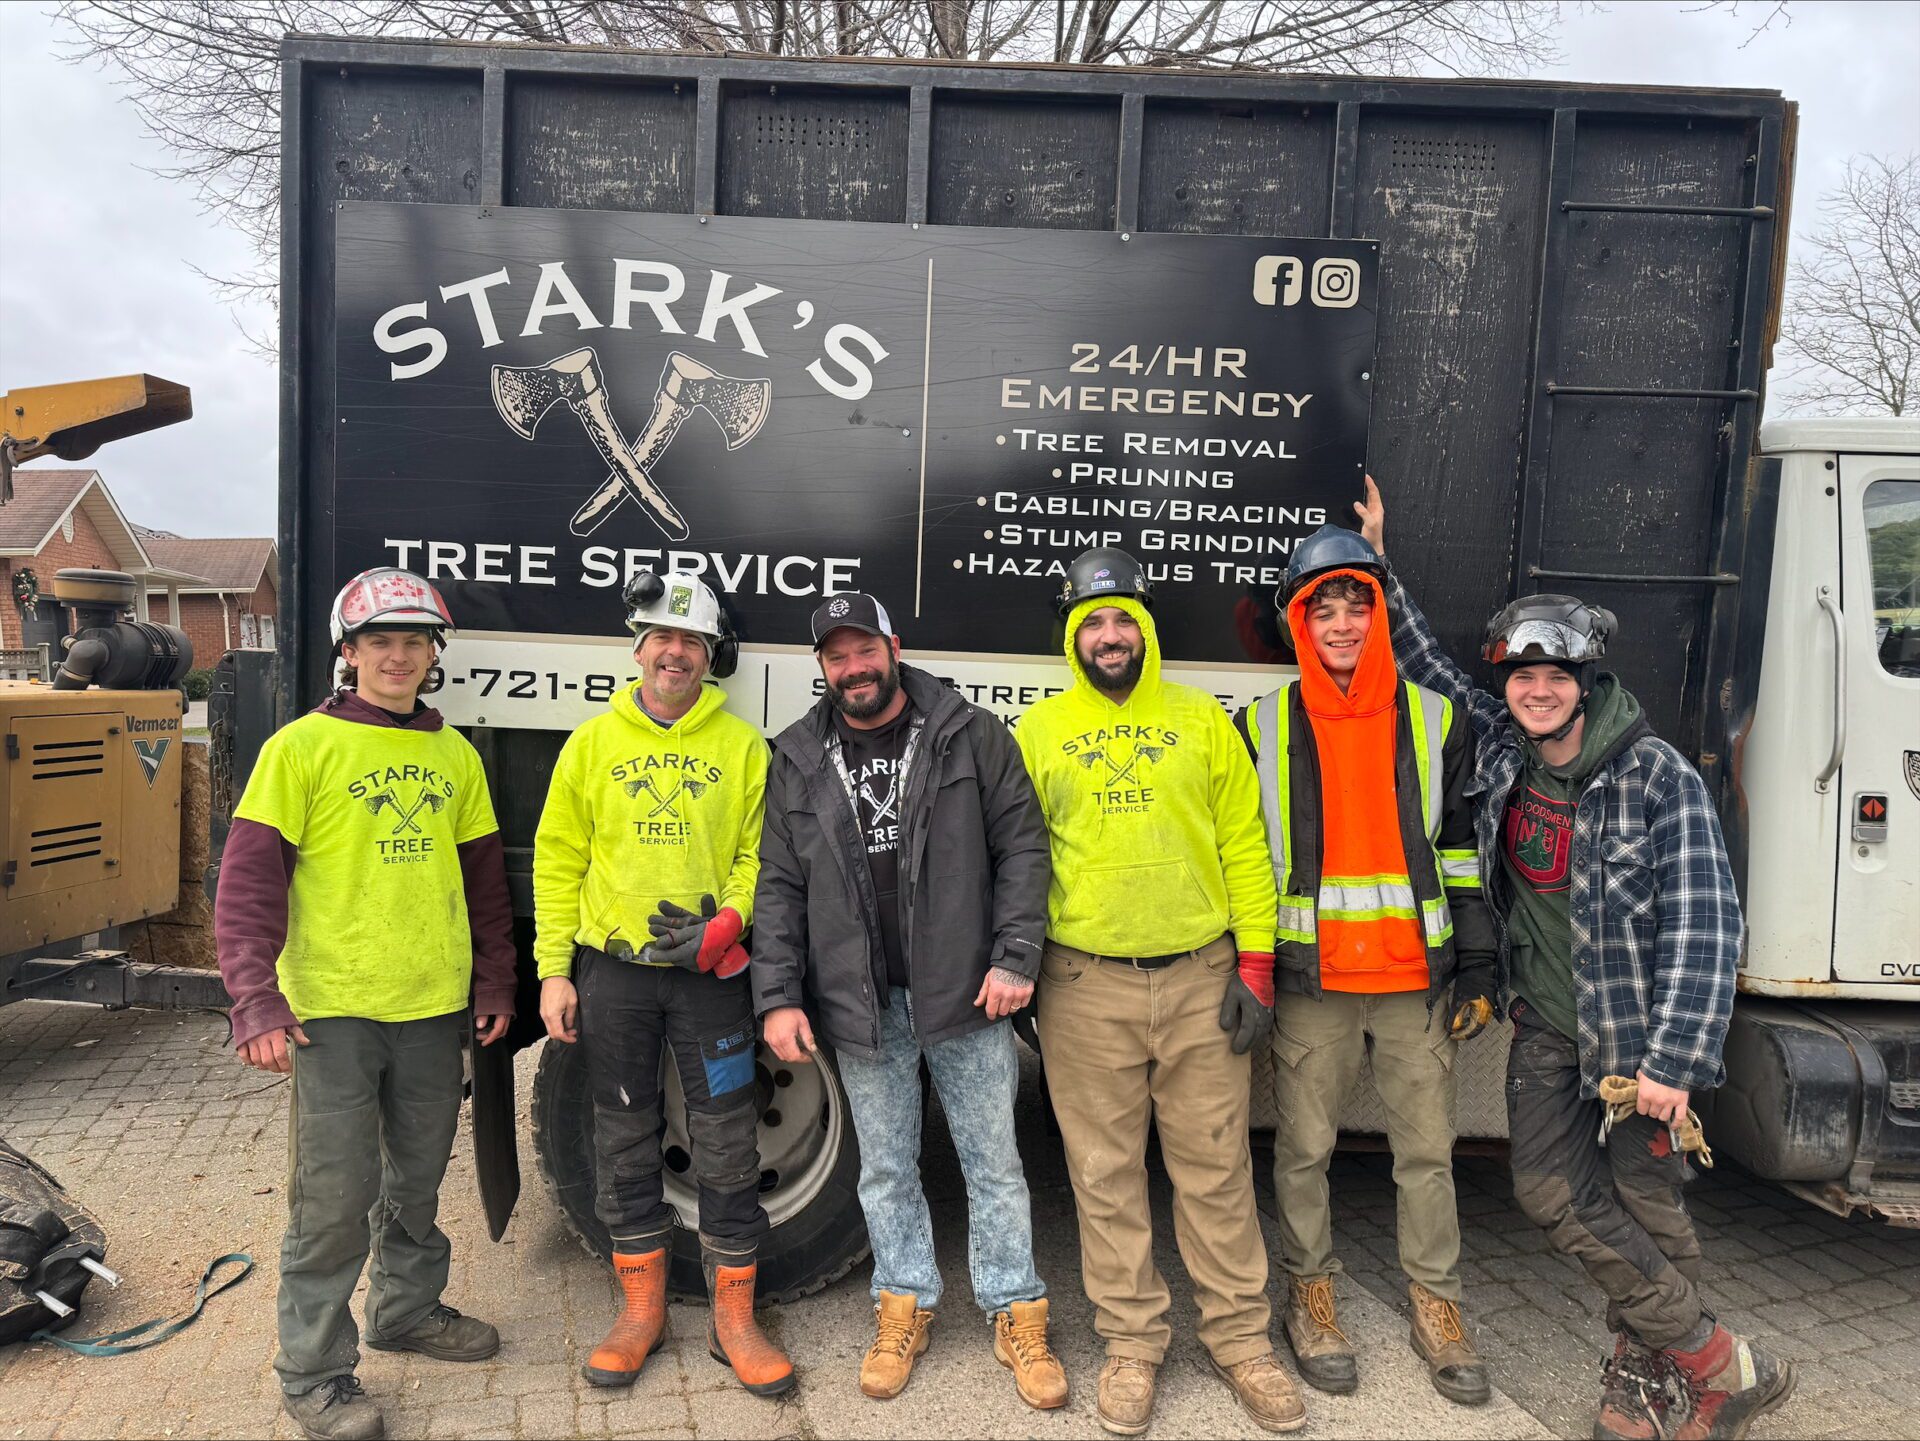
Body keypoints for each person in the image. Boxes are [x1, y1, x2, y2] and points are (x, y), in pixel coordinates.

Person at [1359, 480, 1794, 1441]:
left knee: (1646, 1204)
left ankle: (1647, 1389)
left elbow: (1708, 923)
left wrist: (1675, 1063)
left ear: (1586, 681)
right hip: (1551, 1028)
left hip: (1638, 1043)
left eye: (1554, 676)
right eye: (1521, 676)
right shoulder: (1510, 751)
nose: (1536, 689)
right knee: (1551, 1191)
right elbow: (1426, 668)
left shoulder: (1654, 776)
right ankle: (1720, 1362)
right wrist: (1379, 567)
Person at [216, 568, 516, 1441]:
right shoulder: (300, 749)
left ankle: (404, 1310)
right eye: (380, 642)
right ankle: (313, 1368)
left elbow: (485, 889)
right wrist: (255, 1000)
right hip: (332, 1012)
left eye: (414, 642)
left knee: (416, 1181)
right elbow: (247, 889)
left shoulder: (453, 754)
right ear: (349, 654)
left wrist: (493, 983)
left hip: (430, 1007)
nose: (398, 656)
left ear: (434, 655)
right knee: (333, 1195)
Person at [1016, 548, 1305, 1437]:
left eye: (1123, 621)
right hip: (1082, 984)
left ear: (1145, 629)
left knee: (1214, 1170)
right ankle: (1134, 1345)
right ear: (1074, 636)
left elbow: (1248, 847)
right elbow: (1018, 864)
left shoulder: (1202, 721)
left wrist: (1256, 966)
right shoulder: (1037, 731)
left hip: (1201, 980)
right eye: (1093, 622)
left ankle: (1242, 1341)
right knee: (1102, 1177)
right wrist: (1022, 968)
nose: (1110, 636)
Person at [751, 592, 1065, 1408]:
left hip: (967, 993)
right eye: (835, 655)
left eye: (865, 649)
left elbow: (1023, 845)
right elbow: (779, 888)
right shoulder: (796, 756)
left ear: (895, 645)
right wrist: (778, 996)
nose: (853, 667)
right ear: (821, 667)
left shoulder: (968, 731)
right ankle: (903, 1304)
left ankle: (1015, 1307)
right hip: (861, 1004)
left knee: (993, 1162)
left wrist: (1015, 953)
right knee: (886, 1169)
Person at [1235, 526, 1498, 1407]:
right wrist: (1254, 972)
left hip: (1415, 985)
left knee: (1427, 1154)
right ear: (1299, 624)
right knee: (1302, 1152)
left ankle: (1438, 1304)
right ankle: (1311, 1298)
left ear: (1379, 614)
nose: (1342, 624)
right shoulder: (1262, 725)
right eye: (1324, 609)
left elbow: (1460, 853)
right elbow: (1242, 859)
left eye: (1357, 605)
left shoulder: (1435, 717)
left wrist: (1478, 965)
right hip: (1314, 985)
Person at [532, 570, 793, 1398]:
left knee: (726, 1140)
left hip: (711, 978)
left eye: (692, 641)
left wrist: (733, 920)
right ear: (638, 647)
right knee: (621, 1138)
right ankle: (640, 1312)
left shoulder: (744, 746)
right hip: (614, 978)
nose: (675, 652)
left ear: (712, 656)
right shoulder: (590, 744)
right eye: (662, 637)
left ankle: (735, 1319)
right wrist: (553, 971)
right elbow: (558, 861)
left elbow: (764, 856)